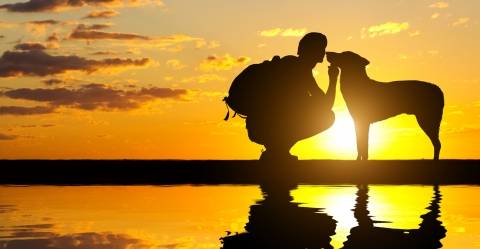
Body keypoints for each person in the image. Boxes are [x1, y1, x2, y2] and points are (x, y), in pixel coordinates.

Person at [246, 32, 338, 160]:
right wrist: (333, 80)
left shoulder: (293, 65)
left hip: (256, 126)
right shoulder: (299, 69)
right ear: (315, 51)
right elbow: (325, 106)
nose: (324, 52)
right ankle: (278, 151)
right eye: (322, 48)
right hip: (266, 127)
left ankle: (277, 150)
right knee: (328, 117)